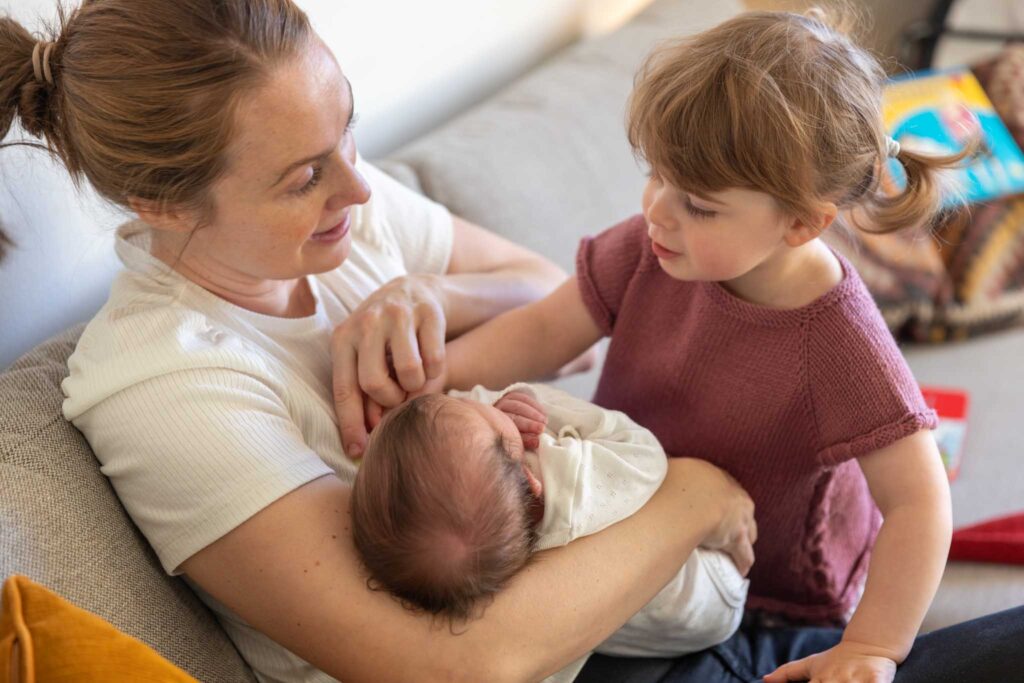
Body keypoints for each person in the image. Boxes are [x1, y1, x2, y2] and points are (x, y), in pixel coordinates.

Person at [0, 1, 759, 681]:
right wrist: (696, 497)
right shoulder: (168, 384)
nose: (358, 187)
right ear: (162, 204)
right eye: (303, 177)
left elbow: (568, 312)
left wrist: (431, 293)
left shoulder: (344, 216)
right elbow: (456, 665)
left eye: (347, 128)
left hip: (644, 605)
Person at [442, 9, 1024, 683]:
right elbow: (544, 331)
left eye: (699, 204)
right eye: (656, 174)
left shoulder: (838, 337)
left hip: (773, 605)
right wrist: (439, 378)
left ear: (802, 223)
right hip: (646, 530)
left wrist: (872, 646)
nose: (656, 210)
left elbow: (920, 503)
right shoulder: (647, 247)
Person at [351, 382, 749, 658]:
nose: (473, 397)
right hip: (710, 589)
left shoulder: (482, 554)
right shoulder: (572, 480)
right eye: (482, 410)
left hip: (631, 624)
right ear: (530, 478)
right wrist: (534, 400)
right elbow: (647, 456)